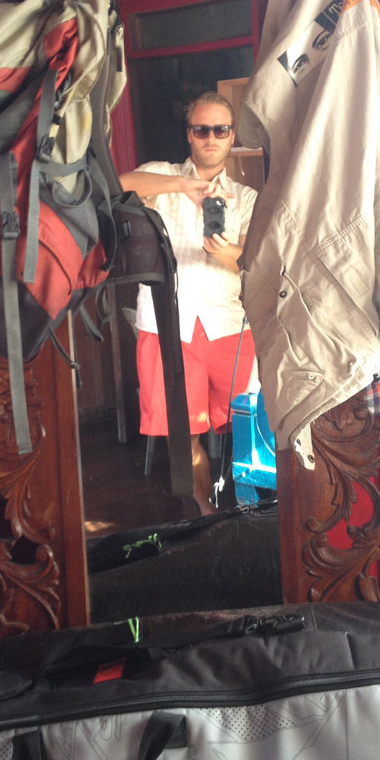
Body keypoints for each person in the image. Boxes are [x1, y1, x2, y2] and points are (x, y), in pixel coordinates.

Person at [120, 91, 258, 516]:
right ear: (189, 134)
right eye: (202, 129)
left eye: (220, 129)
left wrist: (225, 252)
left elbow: (254, 262)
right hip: (167, 323)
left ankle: (250, 506)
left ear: (232, 135)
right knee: (183, 430)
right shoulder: (163, 176)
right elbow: (118, 184)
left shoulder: (246, 197)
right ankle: (204, 510)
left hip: (228, 323)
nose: (211, 137)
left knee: (248, 422)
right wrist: (184, 186)